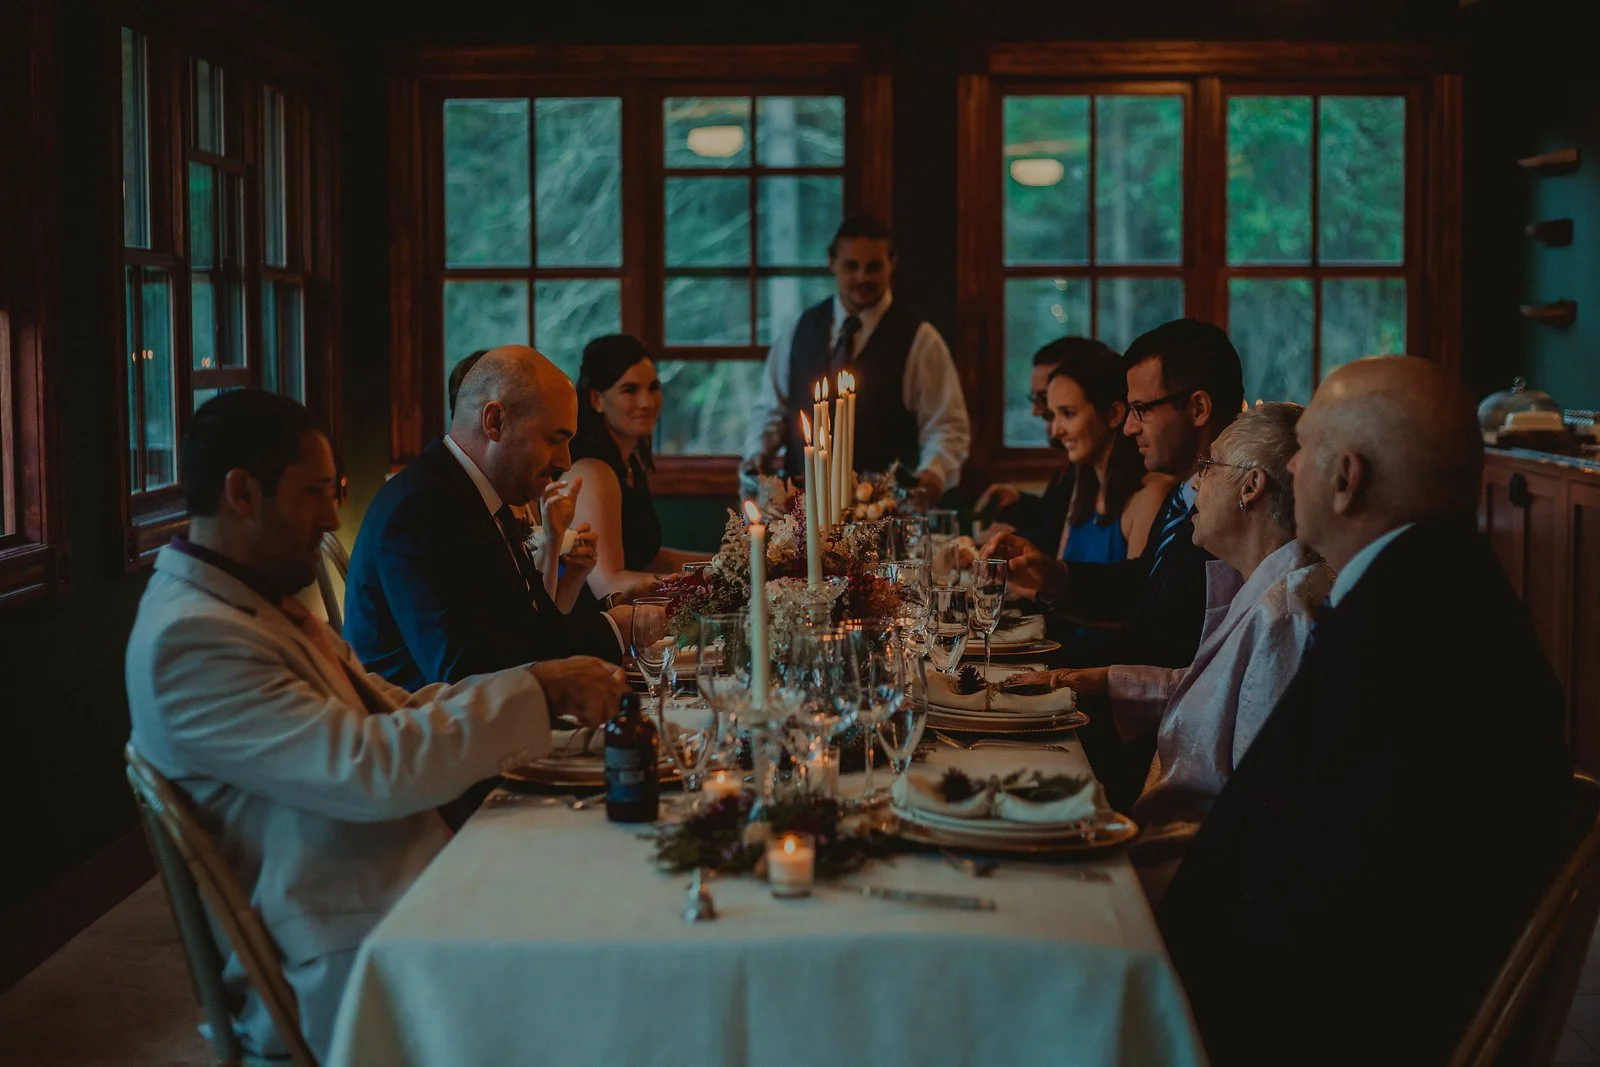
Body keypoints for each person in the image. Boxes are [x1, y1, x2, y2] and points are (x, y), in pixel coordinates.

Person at [124, 390, 627, 1061]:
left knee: (606, 864)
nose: (333, 515)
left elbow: (397, 706)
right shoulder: (191, 639)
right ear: (242, 493)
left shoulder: (243, 603)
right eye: (313, 493)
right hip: (356, 946)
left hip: (395, 879)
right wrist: (536, 688)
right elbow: (370, 767)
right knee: (612, 946)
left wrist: (541, 687)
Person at [1157, 357, 1572, 1065]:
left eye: (1306, 447)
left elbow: (1313, 906)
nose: (1290, 466)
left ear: (1346, 478)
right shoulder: (1433, 589)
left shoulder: (1406, 636)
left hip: (1311, 1030)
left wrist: (1150, 969)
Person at [1016, 403, 1329, 905]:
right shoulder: (1257, 585)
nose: (1194, 485)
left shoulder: (1285, 617)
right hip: (1155, 842)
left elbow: (1257, 811)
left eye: (1210, 468)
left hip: (1187, 880)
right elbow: (1218, 689)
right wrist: (1098, 678)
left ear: (1251, 487)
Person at [344, 345, 632, 692]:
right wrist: (616, 630)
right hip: (428, 733)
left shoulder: (480, 498)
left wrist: (621, 614)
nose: (565, 462)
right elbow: (464, 669)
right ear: (494, 421)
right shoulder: (421, 508)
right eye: (555, 439)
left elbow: (534, 629)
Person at [983, 318, 1246, 669]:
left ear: (1198, 408)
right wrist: (1057, 577)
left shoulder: (1239, 511)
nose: (1129, 426)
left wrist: (1071, 680)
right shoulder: (1183, 495)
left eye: (1141, 409)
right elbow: (1141, 585)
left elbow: (1169, 645)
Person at [740, 214, 971, 505]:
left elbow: (947, 425)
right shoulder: (799, 329)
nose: (862, 277)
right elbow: (770, 410)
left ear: (892, 263)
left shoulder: (920, 339)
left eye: (873, 267)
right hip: (800, 508)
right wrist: (757, 454)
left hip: (881, 513)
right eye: (851, 266)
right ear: (831, 261)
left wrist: (933, 474)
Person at [568, 334, 708, 608]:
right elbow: (607, 583)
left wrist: (720, 564)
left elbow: (645, 558)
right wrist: (704, 583)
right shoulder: (593, 472)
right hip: (596, 628)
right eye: (629, 390)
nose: (647, 402)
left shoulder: (628, 463)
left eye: (653, 387)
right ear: (596, 399)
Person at [973, 337, 1113, 548]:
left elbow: (1059, 542)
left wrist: (1019, 538)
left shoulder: (1094, 462)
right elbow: (1056, 515)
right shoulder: (1079, 463)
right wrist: (1020, 500)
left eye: (1043, 398)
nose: (1036, 410)